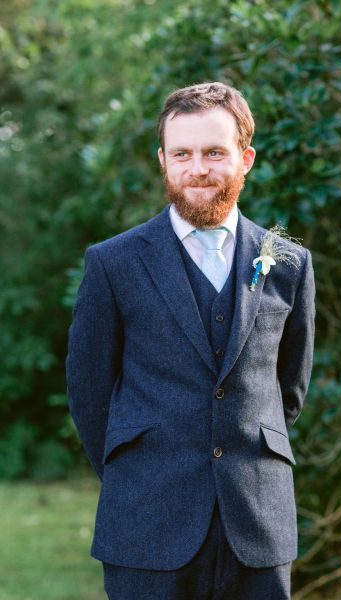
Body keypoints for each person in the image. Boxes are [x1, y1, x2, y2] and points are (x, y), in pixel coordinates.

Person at [66, 81, 315, 600]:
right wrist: (139, 469)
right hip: (147, 525)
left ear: (245, 159)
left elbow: (288, 390)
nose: (197, 168)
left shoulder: (288, 263)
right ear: (163, 160)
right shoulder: (113, 263)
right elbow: (89, 393)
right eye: (182, 153)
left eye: (214, 153)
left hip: (258, 527)